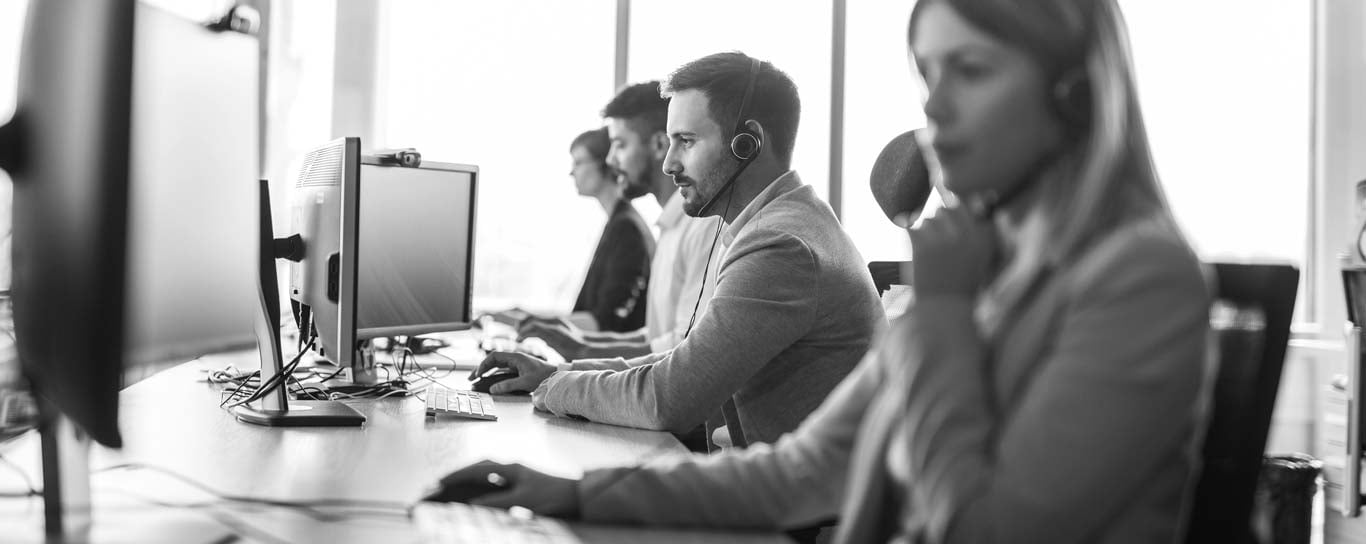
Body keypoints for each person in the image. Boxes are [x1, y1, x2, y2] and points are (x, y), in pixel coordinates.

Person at [432, 1, 1214, 542]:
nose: (935, 111)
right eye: (927, 76)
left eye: (970, 71)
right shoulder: (987, 276)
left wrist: (938, 313)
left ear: (1074, 93)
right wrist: (574, 493)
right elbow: (805, 469)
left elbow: (979, 530)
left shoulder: (1138, 279)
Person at [475, 53, 885, 450]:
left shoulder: (780, 246)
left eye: (685, 141)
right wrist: (558, 372)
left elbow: (669, 398)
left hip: (788, 510)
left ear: (748, 143)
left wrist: (554, 386)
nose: (669, 164)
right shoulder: (788, 222)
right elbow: (683, 362)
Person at [519, 82, 725, 360]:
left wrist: (579, 353)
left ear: (658, 145)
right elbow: (654, 337)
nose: (610, 160)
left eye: (620, 144)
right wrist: (576, 340)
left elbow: (683, 348)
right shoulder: (667, 226)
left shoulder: (702, 226)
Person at [563, 127, 654, 334]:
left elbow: (605, 321)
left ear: (604, 163)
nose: (571, 172)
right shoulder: (617, 221)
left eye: (578, 162)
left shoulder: (626, 229)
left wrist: (530, 322)